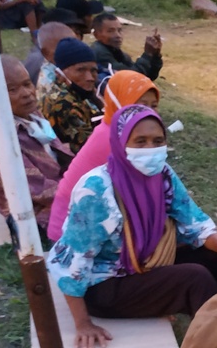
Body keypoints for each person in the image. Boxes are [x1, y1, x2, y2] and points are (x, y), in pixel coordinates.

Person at [46, 104, 217, 348]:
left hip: (142, 263)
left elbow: (194, 221)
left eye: (157, 140)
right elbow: (75, 263)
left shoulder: (162, 175)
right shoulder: (96, 191)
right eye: (140, 141)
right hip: (102, 285)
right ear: (120, 143)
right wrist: (83, 323)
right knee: (194, 278)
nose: (150, 149)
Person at [47, 71, 159, 242]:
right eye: (141, 105)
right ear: (120, 103)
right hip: (72, 232)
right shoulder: (113, 139)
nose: (148, 112)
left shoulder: (117, 130)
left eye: (154, 105)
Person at [0, 55, 70, 235]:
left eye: (27, 84)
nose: (26, 93)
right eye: (12, 90)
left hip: (61, 193)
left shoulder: (33, 116)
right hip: (35, 216)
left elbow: (61, 157)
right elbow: (37, 191)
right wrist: (79, 192)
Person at [40, 38, 103, 154]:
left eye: (93, 71)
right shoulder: (63, 103)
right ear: (60, 74)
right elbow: (95, 145)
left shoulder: (78, 94)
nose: (89, 77)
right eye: (81, 70)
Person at [90, 12, 163, 81]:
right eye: (110, 31)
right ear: (96, 35)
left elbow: (147, 77)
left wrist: (155, 55)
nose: (118, 35)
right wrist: (147, 54)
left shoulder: (115, 51)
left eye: (119, 30)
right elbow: (131, 78)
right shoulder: (99, 52)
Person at [24, 21, 76, 97]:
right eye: (65, 50)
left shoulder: (63, 67)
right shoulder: (48, 78)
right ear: (46, 53)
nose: (72, 54)